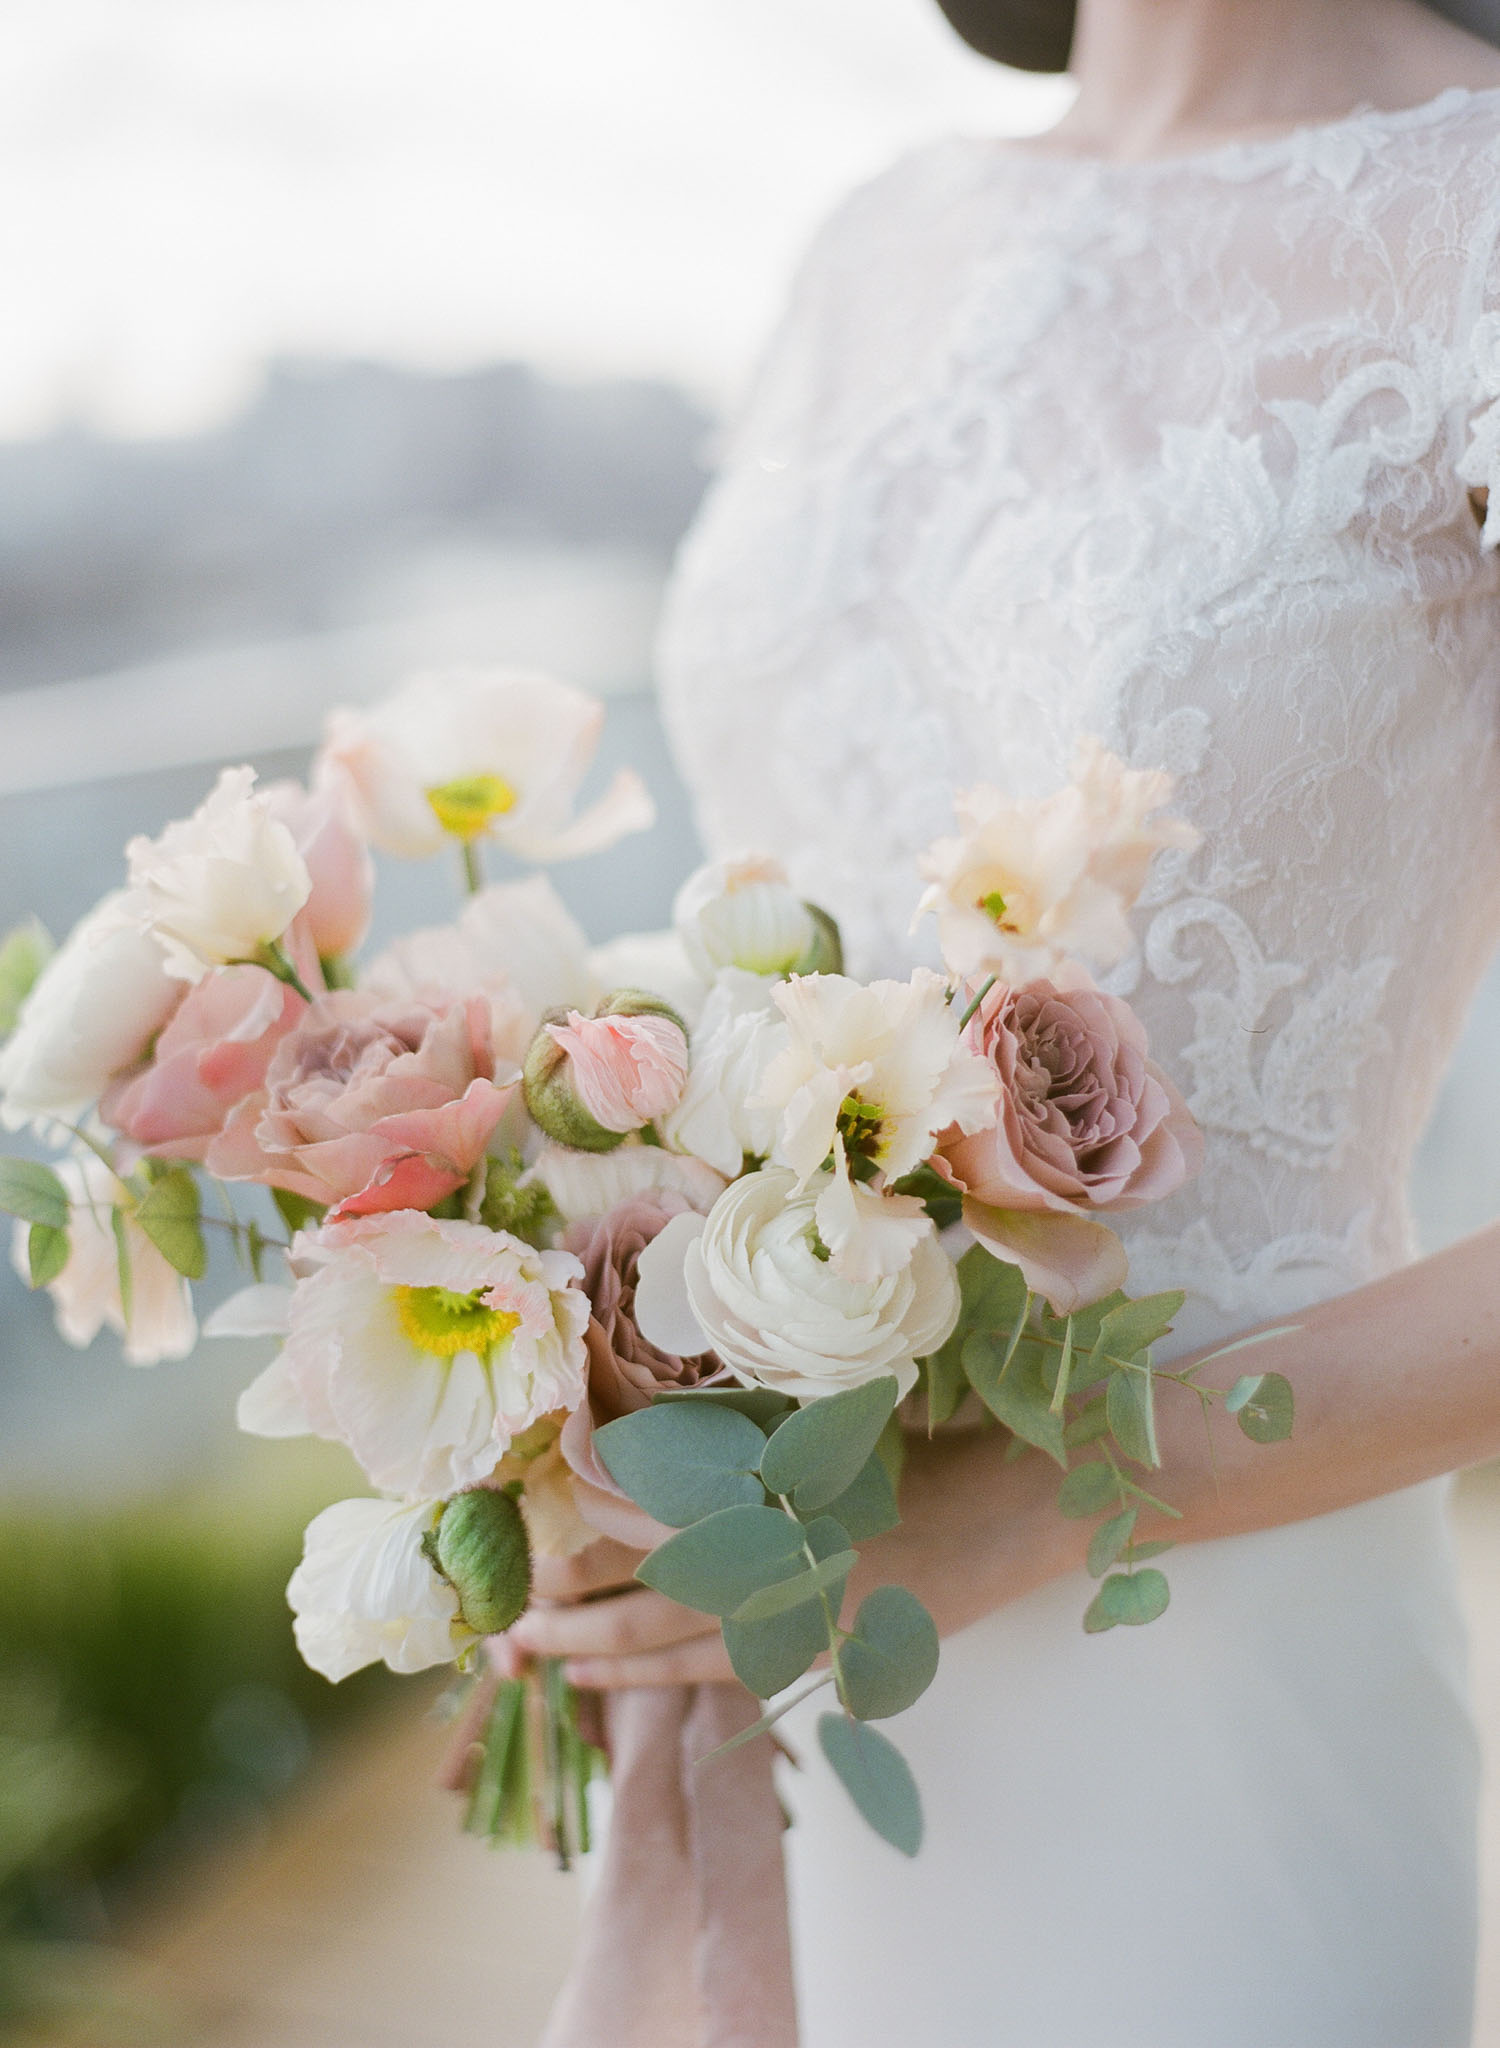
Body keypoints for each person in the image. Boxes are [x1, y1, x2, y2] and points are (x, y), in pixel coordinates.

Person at [505, 2, 1500, 2039]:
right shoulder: (881, 235)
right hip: (775, 1639)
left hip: (1213, 1689)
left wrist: (1035, 1503)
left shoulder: (1472, 221)